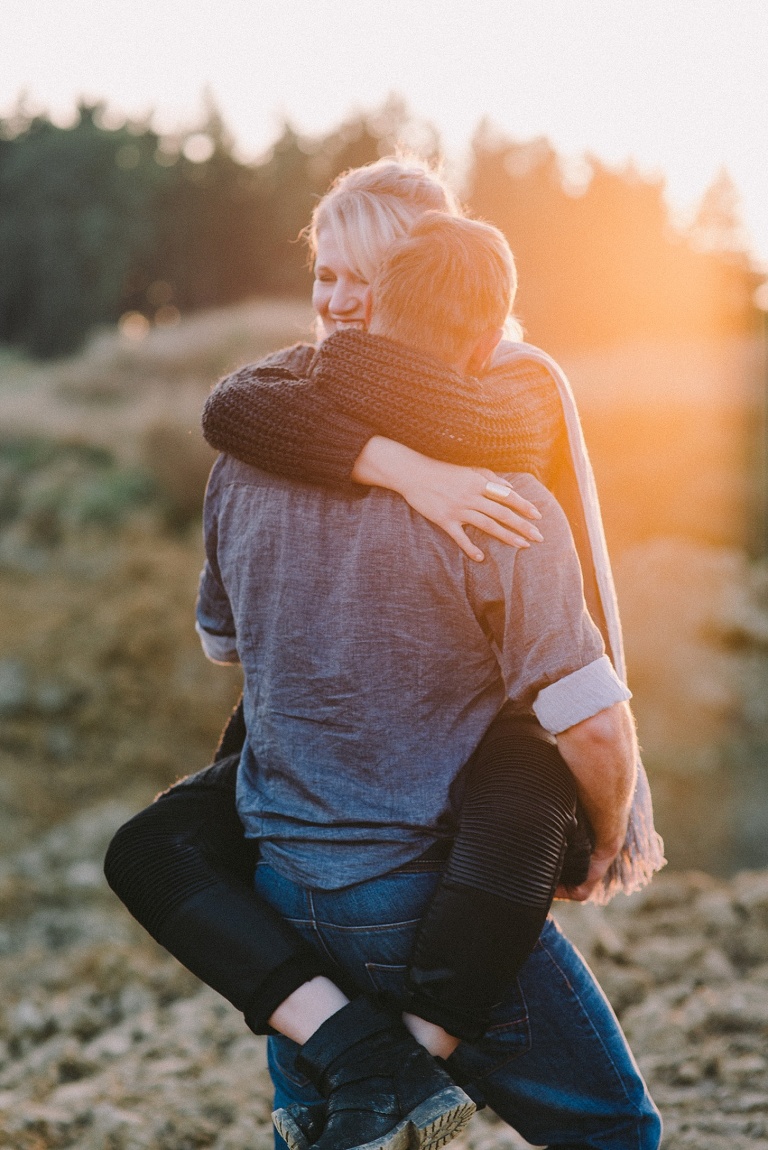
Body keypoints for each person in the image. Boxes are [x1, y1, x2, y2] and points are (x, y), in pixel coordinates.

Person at [105, 160, 663, 1149]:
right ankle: (406, 1060)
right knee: (616, 1132)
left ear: (404, 281)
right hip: (428, 882)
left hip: (285, 877)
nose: (338, 300)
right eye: (325, 273)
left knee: (319, 1125)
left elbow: (221, 642)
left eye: (363, 275)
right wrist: (608, 821)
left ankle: (381, 1066)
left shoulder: (260, 465)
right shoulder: (491, 500)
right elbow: (582, 709)